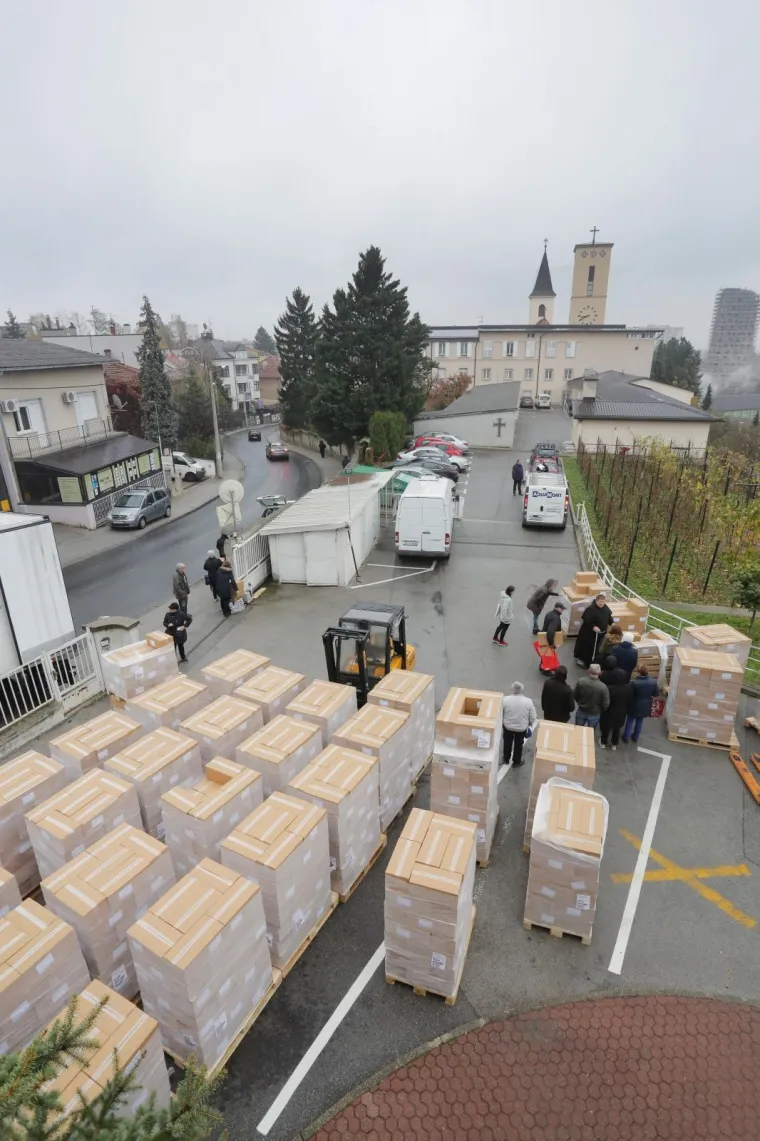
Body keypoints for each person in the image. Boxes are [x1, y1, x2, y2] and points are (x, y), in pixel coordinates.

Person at [501, 681, 538, 768]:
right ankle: (517, 761)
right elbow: (533, 716)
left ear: (512, 690)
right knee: (519, 744)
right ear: (522, 690)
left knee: (507, 742)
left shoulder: (505, 700)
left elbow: (500, 713)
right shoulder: (528, 701)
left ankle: (506, 759)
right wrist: (529, 724)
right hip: (521, 728)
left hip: (508, 726)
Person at [599, 656, 631, 750]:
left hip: (610, 710)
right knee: (617, 729)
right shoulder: (628, 689)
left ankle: (603, 742)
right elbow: (629, 700)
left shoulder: (610, 689)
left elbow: (606, 700)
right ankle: (614, 744)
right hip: (621, 712)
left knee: (606, 727)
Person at [574, 593, 613, 668]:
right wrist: (593, 627)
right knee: (587, 648)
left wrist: (611, 621)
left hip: (601, 633)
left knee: (598, 648)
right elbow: (587, 620)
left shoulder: (605, 607)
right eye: (600, 601)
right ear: (596, 601)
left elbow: (609, 616)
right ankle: (585, 661)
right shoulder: (591, 609)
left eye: (603, 601)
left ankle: (594, 661)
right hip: (589, 634)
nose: (601, 603)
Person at [622, 665, 659, 744]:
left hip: (634, 704)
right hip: (645, 705)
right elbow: (656, 694)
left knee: (630, 720)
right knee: (640, 721)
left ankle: (626, 737)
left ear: (639, 672)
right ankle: (635, 737)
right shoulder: (653, 682)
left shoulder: (634, 683)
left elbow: (629, 694)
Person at [573, 663, 609, 730]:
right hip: (594, 713)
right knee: (590, 732)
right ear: (600, 673)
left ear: (589, 671)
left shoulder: (581, 681)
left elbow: (575, 694)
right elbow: (606, 704)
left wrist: (579, 701)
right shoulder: (603, 687)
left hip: (581, 710)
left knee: (578, 730)